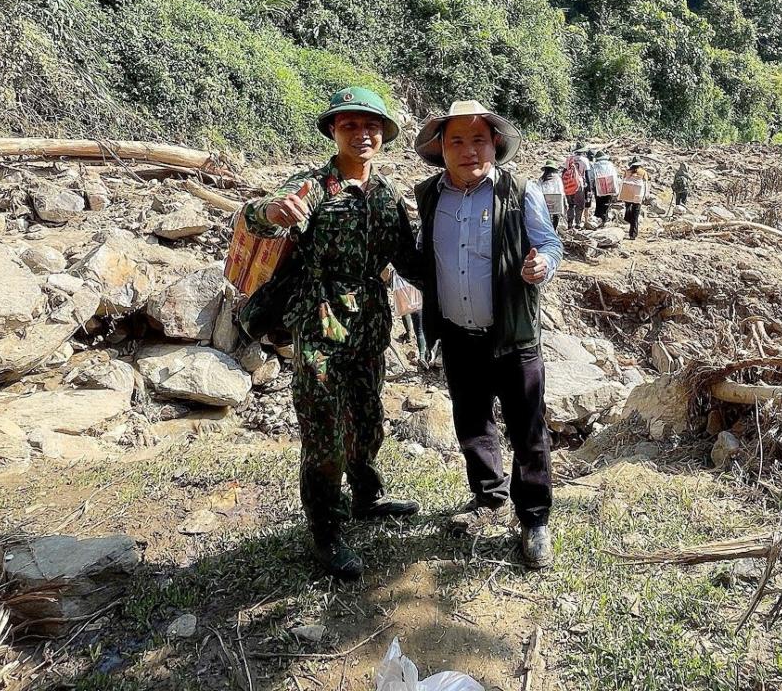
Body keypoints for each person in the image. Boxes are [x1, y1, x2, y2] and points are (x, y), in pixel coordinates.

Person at [239, 87, 420, 581]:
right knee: (324, 431)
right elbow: (257, 215)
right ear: (334, 132)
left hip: (370, 326)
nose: (362, 134)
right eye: (349, 125)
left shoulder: (386, 195)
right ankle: (326, 532)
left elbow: (410, 260)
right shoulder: (315, 184)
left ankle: (367, 497)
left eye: (371, 126)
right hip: (321, 323)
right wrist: (273, 211)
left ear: (383, 134)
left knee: (367, 418)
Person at [411, 100, 563, 569]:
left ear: (495, 144)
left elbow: (550, 243)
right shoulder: (429, 195)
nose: (469, 150)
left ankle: (534, 518)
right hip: (459, 336)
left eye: (478, 139)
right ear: (441, 148)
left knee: (528, 429)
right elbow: (423, 256)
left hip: (514, 336)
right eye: (457, 140)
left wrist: (542, 264)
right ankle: (488, 494)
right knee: (472, 422)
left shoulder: (519, 191)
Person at [564, 144, 590, 231]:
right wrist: (589, 189)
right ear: (583, 151)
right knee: (579, 205)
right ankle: (577, 223)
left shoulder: (569, 159)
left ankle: (570, 224)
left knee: (571, 205)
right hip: (579, 185)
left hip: (569, 185)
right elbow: (587, 175)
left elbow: (564, 171)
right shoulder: (584, 160)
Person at [622, 158, 648, 240]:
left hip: (628, 194)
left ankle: (630, 223)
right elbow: (646, 184)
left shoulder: (627, 171)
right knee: (635, 216)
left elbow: (623, 181)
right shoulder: (643, 172)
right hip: (638, 196)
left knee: (628, 212)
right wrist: (645, 195)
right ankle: (633, 234)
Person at [592, 150, 616, 227]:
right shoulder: (610, 164)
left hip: (599, 185)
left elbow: (593, 176)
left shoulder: (595, 165)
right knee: (606, 203)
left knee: (599, 203)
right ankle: (604, 219)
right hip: (609, 184)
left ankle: (599, 219)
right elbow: (614, 176)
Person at [539, 161, 564, 231]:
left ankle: (548, 229)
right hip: (556, 198)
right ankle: (554, 230)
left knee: (546, 216)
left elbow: (538, 189)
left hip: (544, 199)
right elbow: (560, 190)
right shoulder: (557, 178)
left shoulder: (542, 178)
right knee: (556, 216)